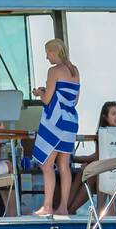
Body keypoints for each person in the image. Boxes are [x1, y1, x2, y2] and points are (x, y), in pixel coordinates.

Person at [31, 39, 80, 216]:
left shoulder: (54, 71)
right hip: (70, 121)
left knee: (46, 164)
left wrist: (40, 93)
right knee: (64, 165)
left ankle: (47, 206)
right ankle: (63, 208)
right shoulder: (75, 70)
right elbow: (74, 100)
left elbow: (46, 100)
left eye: (48, 53)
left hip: (55, 122)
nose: (46, 57)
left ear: (54, 52)